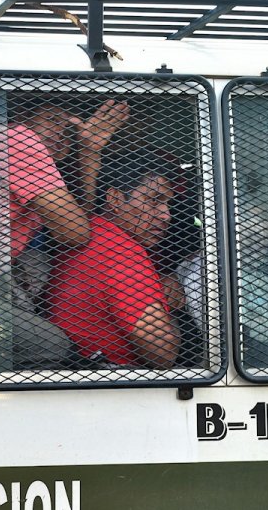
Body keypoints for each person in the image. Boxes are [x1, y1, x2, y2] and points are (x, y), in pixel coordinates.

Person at [0, 97, 128, 368]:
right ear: (23, 116)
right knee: (50, 344)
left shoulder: (16, 150)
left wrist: (89, 151)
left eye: (69, 130)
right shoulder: (18, 141)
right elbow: (75, 233)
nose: (61, 134)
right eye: (53, 120)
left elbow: (76, 221)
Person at [48, 150, 180, 368]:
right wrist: (172, 312)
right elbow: (162, 353)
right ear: (115, 199)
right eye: (154, 201)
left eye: (167, 204)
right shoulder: (120, 252)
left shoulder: (91, 232)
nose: (166, 215)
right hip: (109, 378)